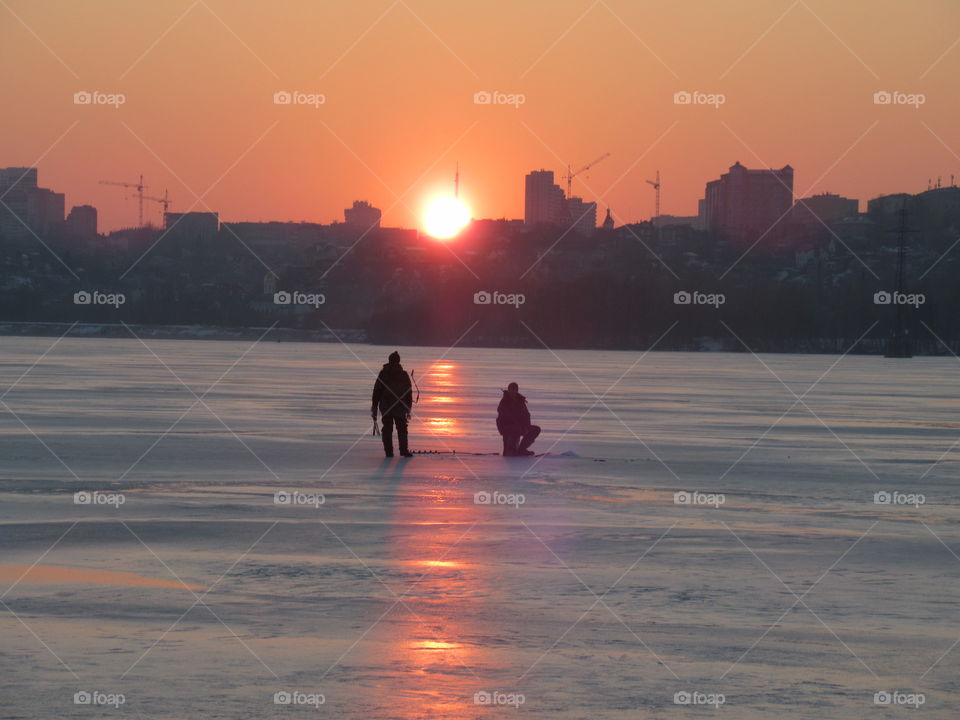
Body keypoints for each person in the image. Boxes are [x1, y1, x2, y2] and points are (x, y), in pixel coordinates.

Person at [371, 351, 413, 458]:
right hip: (399, 407)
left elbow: (376, 392)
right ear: (398, 361)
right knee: (402, 429)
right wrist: (408, 408)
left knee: (387, 429)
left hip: (386, 407)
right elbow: (409, 393)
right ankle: (404, 450)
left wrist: (374, 407)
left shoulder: (383, 373)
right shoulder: (403, 374)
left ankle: (389, 452)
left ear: (389, 360)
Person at [496, 382, 541, 456]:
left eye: (514, 389)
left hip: (520, 426)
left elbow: (526, 415)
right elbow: (505, 417)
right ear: (508, 390)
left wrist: (526, 426)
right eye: (511, 389)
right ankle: (510, 450)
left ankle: (522, 449)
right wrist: (520, 426)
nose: (512, 391)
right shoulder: (504, 402)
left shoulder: (520, 401)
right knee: (509, 452)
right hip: (507, 427)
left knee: (536, 429)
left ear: (517, 390)